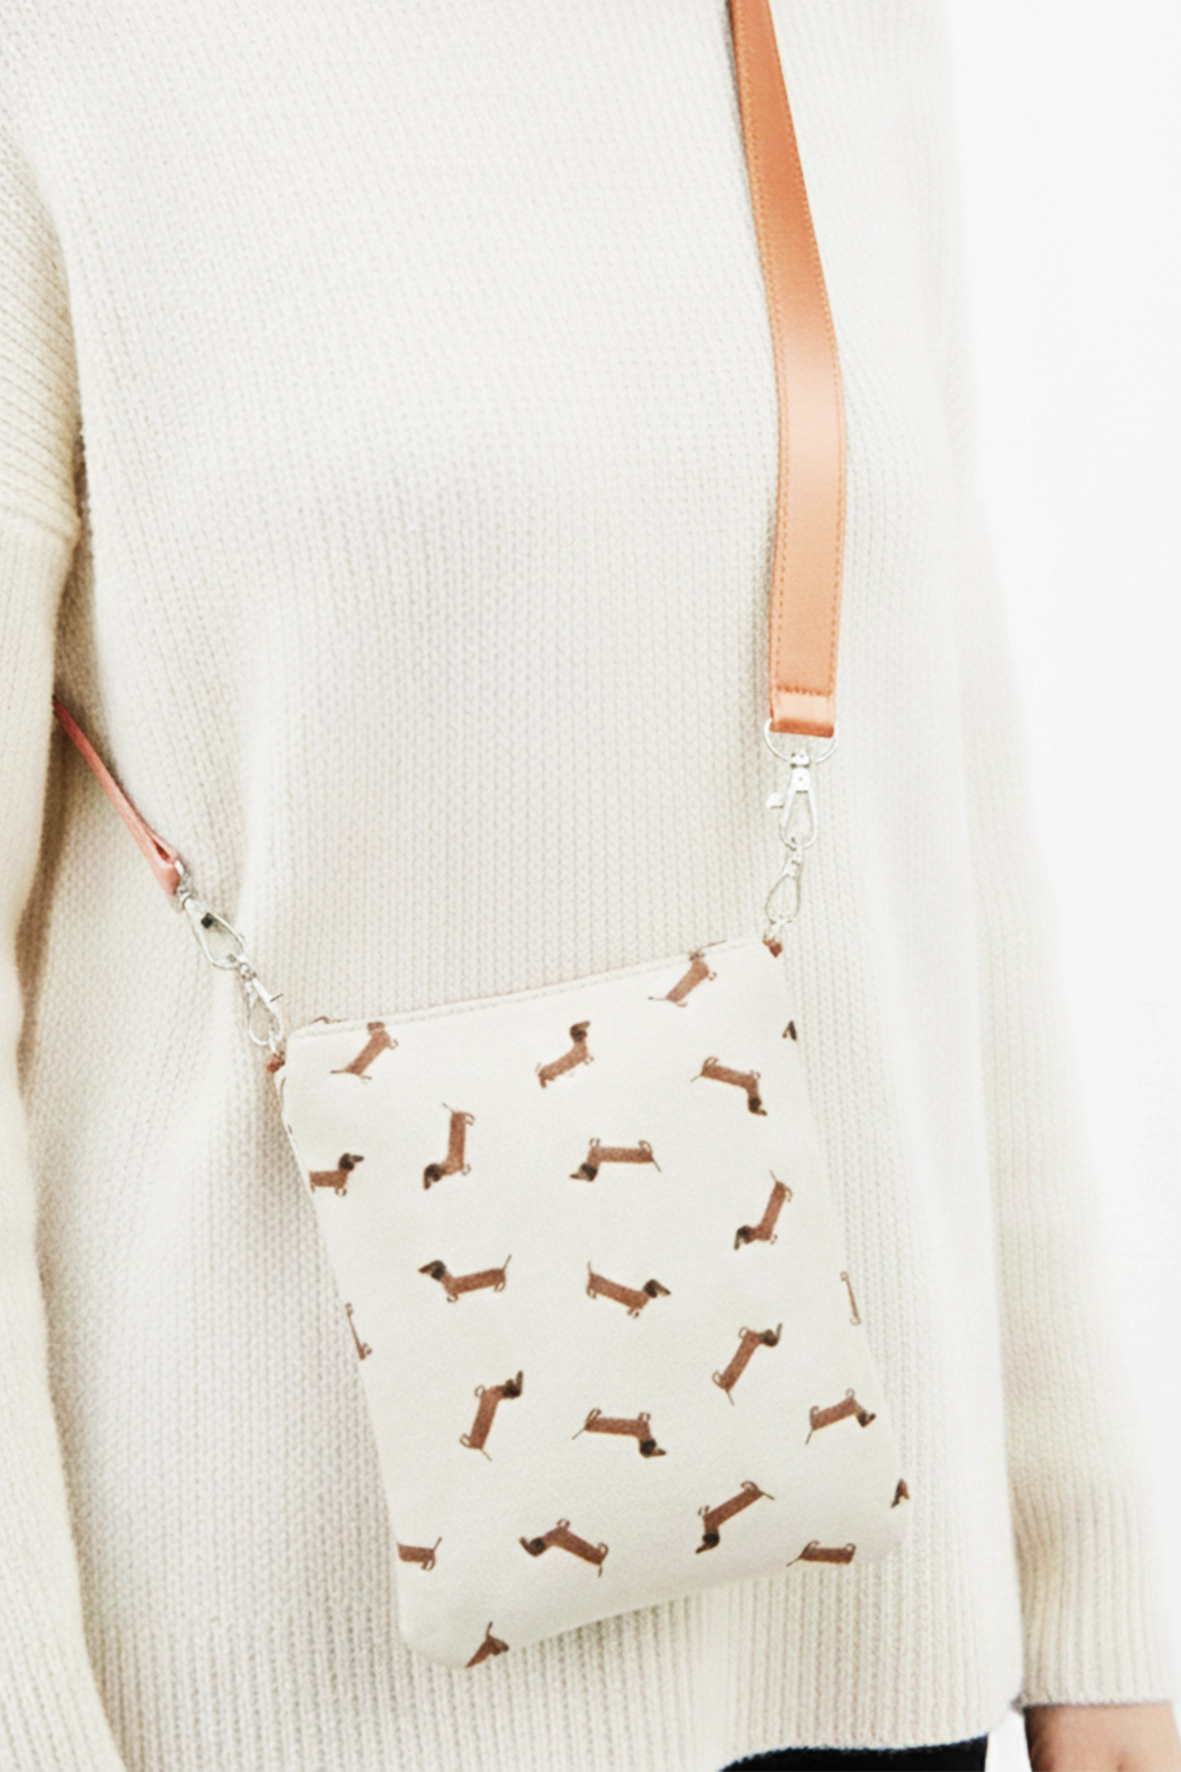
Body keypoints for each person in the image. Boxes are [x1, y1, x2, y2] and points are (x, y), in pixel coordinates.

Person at [1, 2, 1177, 1768]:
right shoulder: (61, 59)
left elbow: (949, 833)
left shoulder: (843, 34)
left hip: (870, 1670)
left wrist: (1098, 1593)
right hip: (277, 1708)